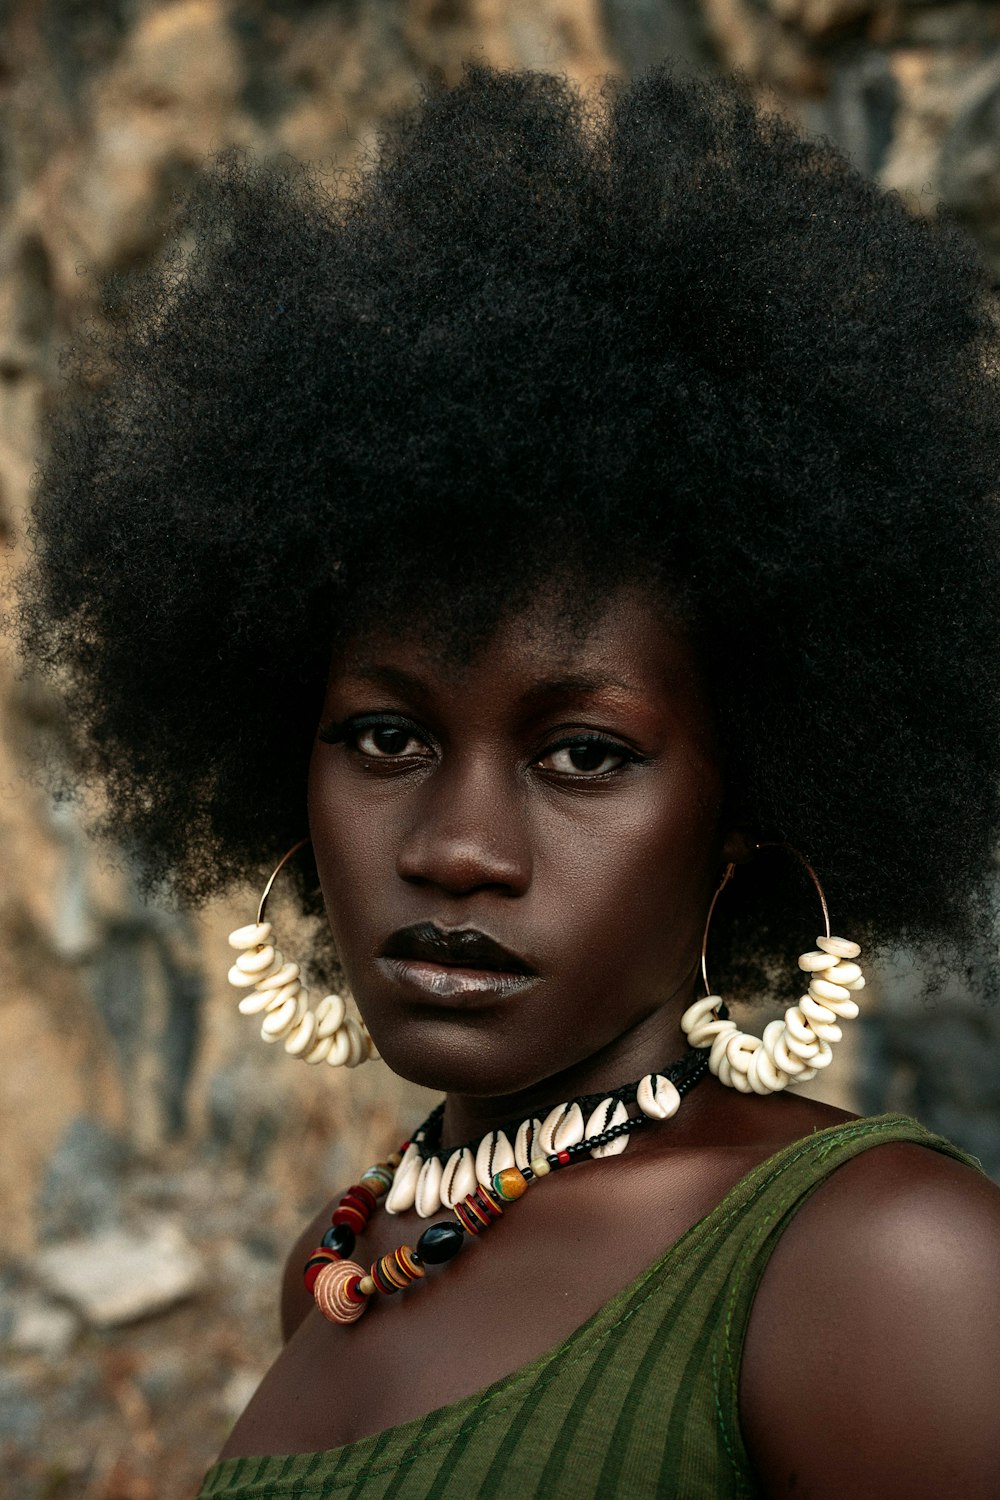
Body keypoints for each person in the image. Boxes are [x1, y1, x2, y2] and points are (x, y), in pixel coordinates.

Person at [16, 60, 1000, 1499]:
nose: (459, 847)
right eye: (387, 737)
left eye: (584, 754)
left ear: (740, 819)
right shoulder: (341, 1268)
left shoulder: (872, 1262)